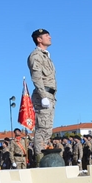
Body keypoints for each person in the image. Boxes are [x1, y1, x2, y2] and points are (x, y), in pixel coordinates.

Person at [28, 28, 56, 164]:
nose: (49, 37)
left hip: (50, 95)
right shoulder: (36, 56)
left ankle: (44, 157)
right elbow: (36, 76)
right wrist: (43, 95)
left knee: (47, 130)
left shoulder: (46, 56)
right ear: (39, 39)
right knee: (42, 129)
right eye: (46, 35)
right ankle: (40, 160)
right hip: (43, 94)